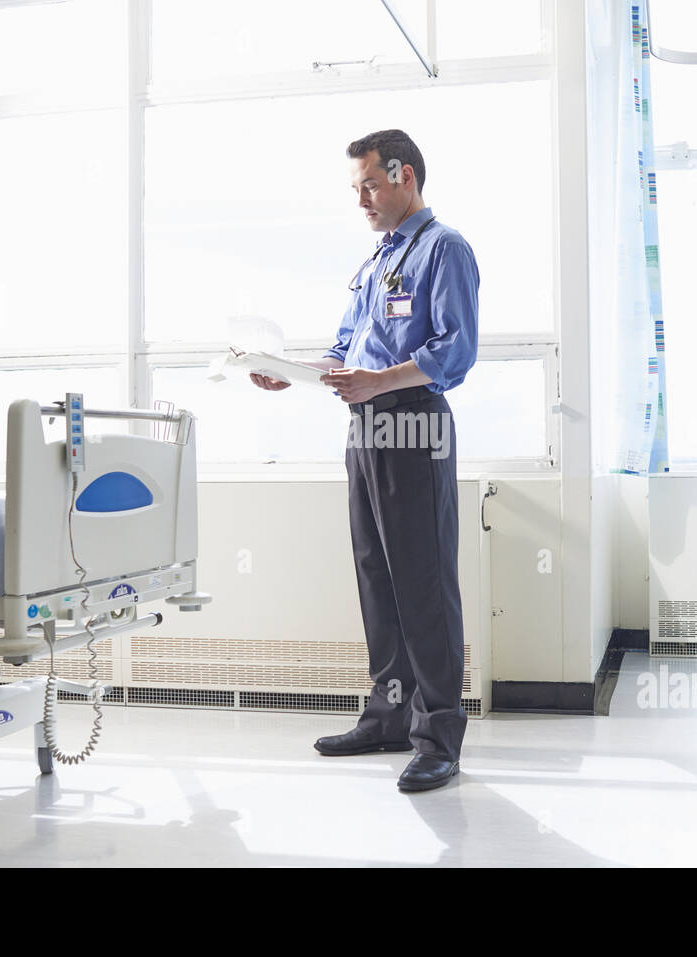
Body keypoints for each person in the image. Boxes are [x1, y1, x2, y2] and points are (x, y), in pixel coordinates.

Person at [250, 129, 479, 792]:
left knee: (424, 582)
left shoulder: (444, 250)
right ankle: (387, 714)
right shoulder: (376, 262)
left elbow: (454, 352)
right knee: (378, 575)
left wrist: (379, 382)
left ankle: (437, 734)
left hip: (413, 425)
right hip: (366, 429)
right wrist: (289, 372)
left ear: (405, 176)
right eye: (357, 188)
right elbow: (348, 348)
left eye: (369, 185)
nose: (362, 200)